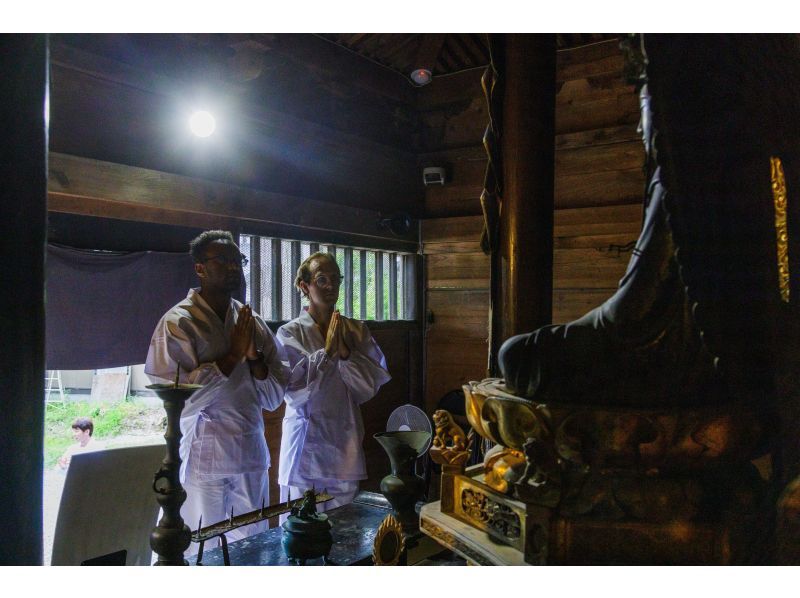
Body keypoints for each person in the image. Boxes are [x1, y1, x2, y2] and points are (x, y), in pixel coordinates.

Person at [144, 230, 288, 553]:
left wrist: (254, 357)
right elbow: (179, 399)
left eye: (238, 260)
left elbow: (274, 397)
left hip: (250, 450)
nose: (234, 267)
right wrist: (233, 354)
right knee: (204, 547)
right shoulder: (179, 323)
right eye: (223, 260)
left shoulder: (251, 322)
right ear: (200, 269)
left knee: (253, 546)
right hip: (207, 455)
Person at [277, 252, 391, 514]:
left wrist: (345, 354)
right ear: (305, 287)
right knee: (301, 528)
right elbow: (294, 392)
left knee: (344, 527)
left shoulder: (355, 330)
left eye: (335, 279)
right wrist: (326, 353)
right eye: (321, 280)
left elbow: (366, 389)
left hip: (343, 441)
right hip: (305, 446)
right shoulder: (290, 333)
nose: (331, 286)